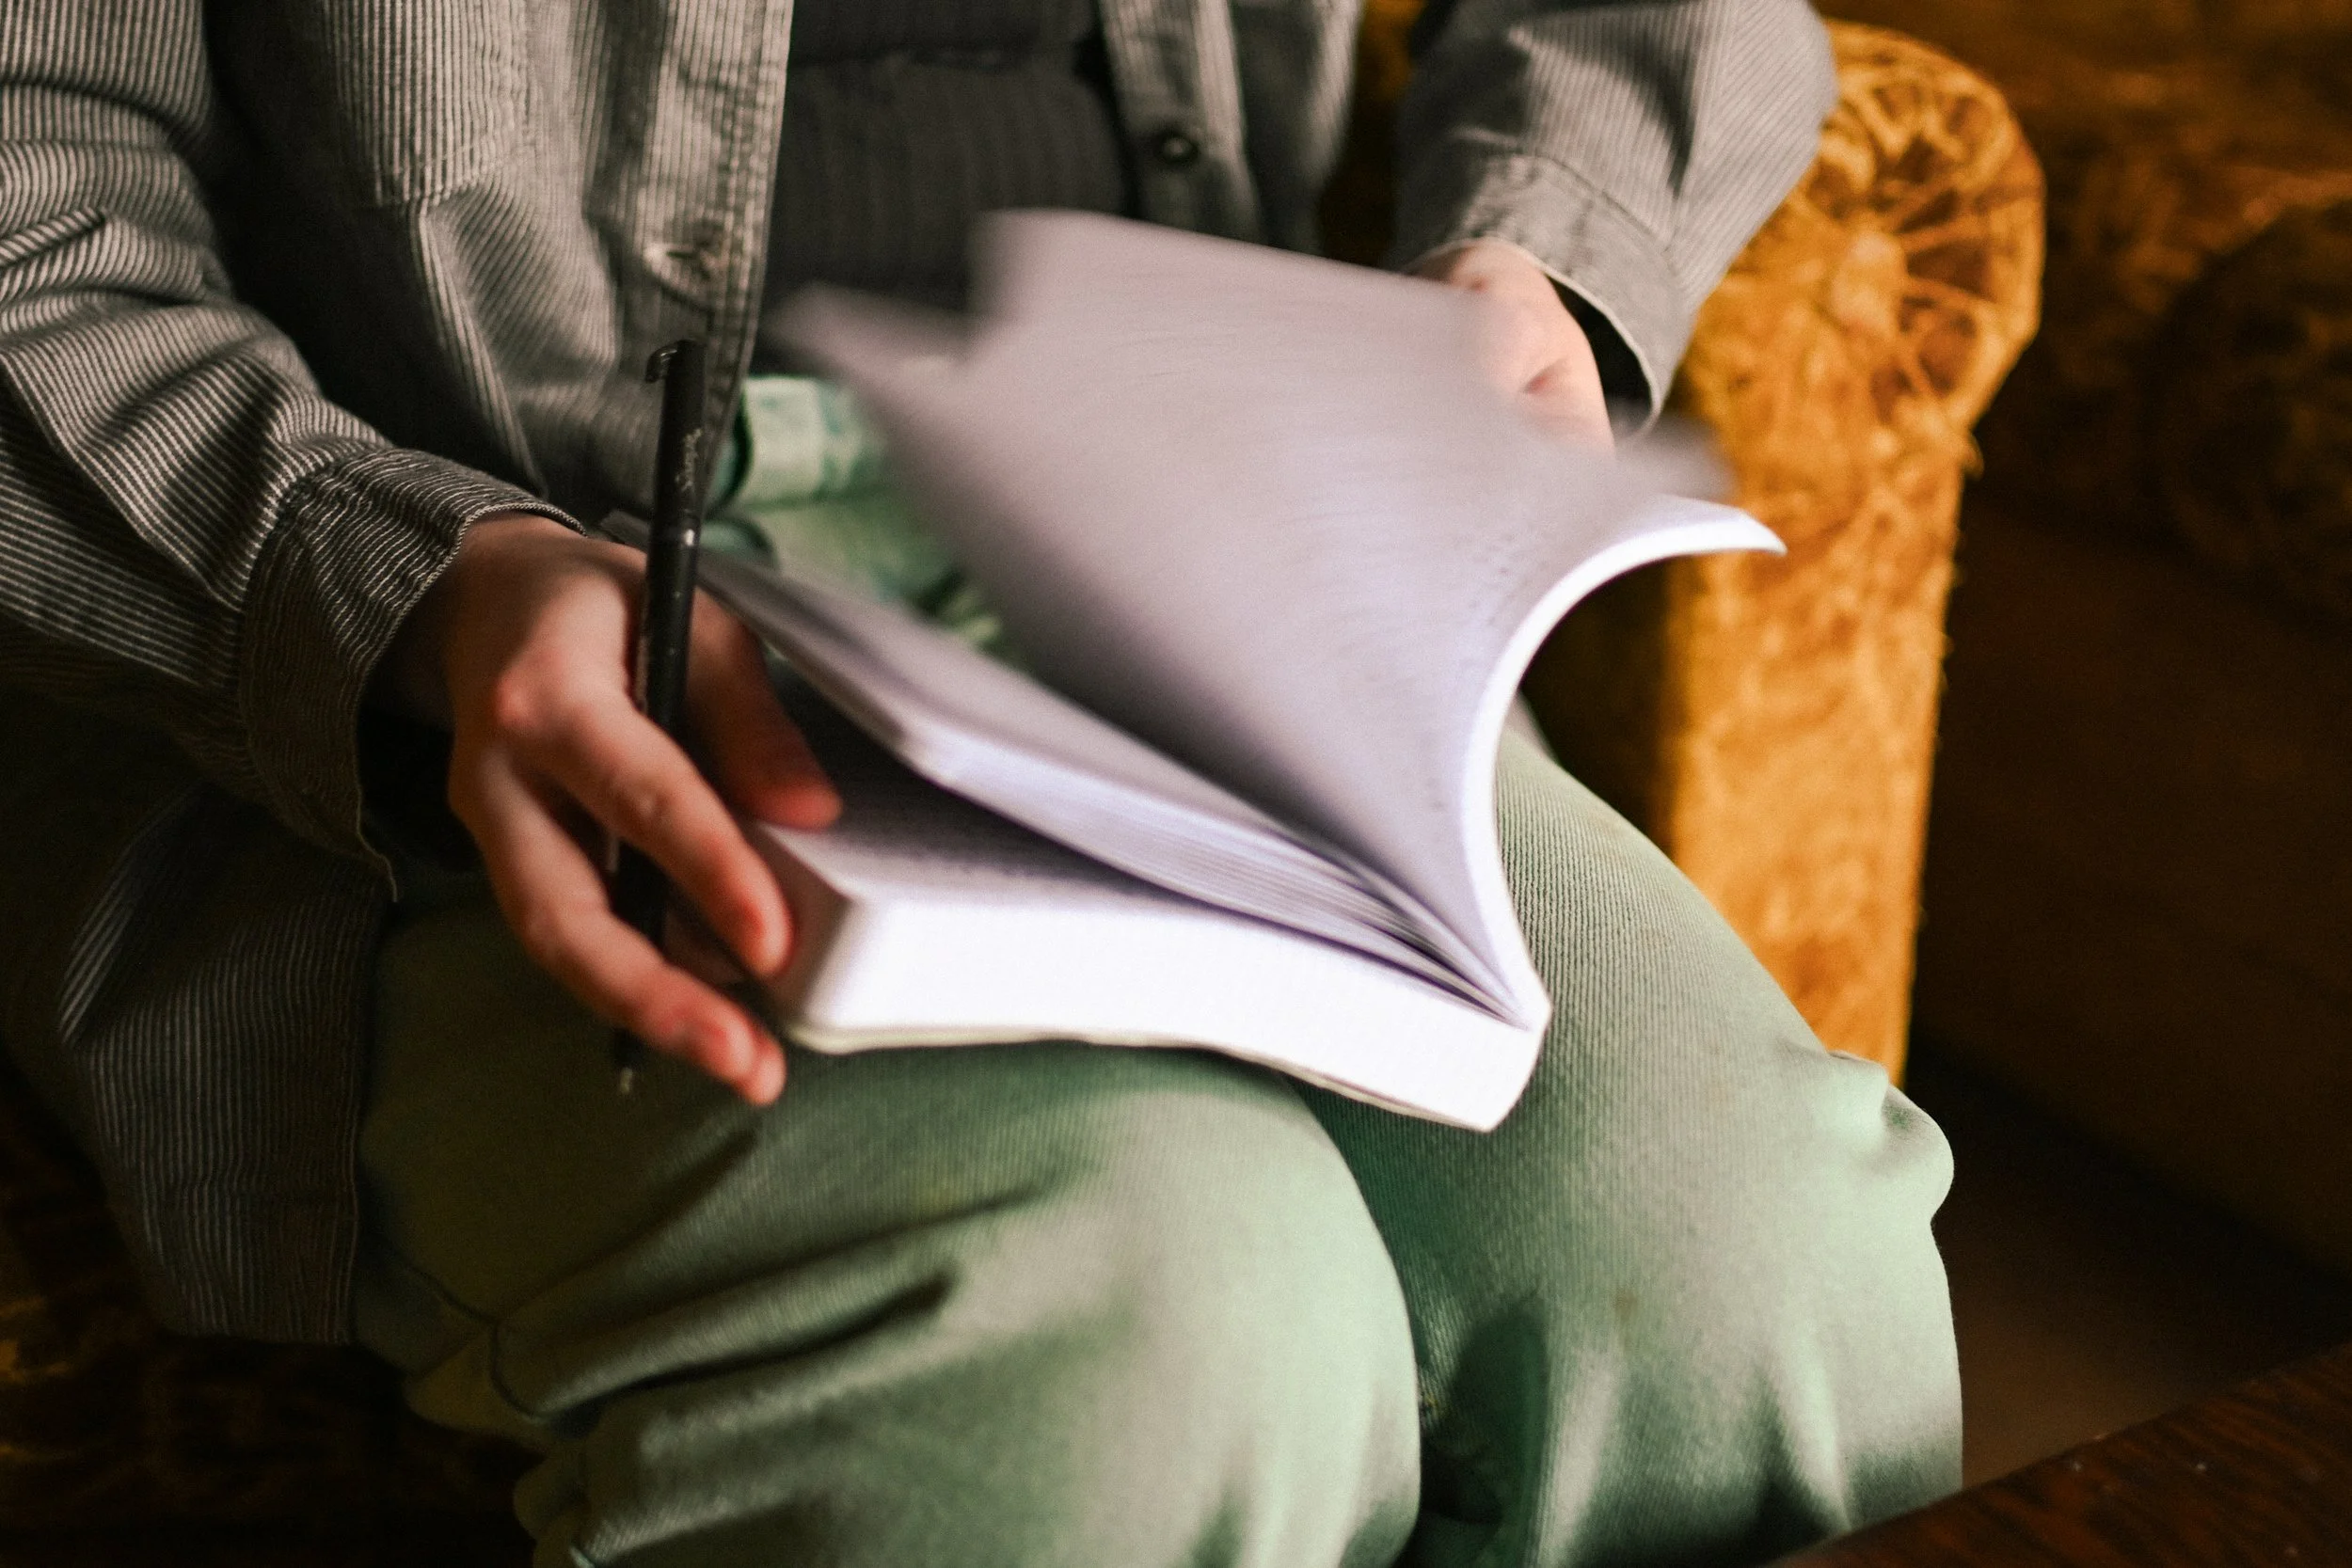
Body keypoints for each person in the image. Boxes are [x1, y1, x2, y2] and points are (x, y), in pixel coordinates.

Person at [0, 2, 1963, 1563]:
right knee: (1139, 1336)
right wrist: (409, 585)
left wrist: (1530, 254)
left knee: (1761, 1267)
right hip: (460, 620)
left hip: (1203, 539)